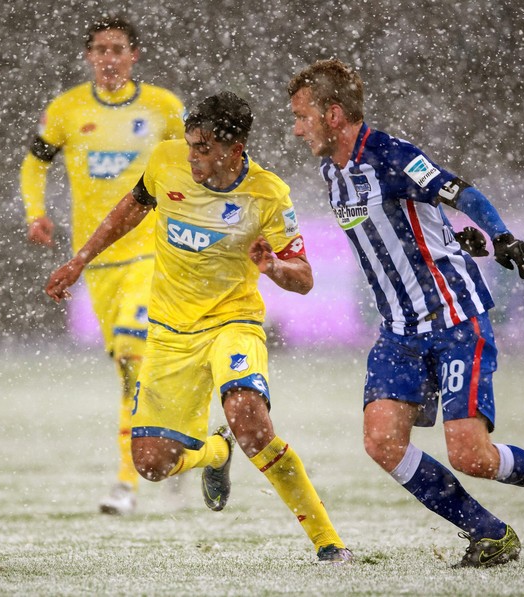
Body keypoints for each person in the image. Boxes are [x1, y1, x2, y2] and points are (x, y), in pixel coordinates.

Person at [287, 59, 524, 567]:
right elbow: (412, 223)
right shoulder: (331, 169)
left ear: (334, 114)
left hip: (454, 320)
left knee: (472, 457)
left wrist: (500, 237)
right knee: (382, 443)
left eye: (302, 116)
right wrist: (451, 238)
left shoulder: (392, 156)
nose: (296, 128)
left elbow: (458, 191)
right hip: (399, 330)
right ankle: (489, 533)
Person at [46, 92, 353, 563]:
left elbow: (305, 279)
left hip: (233, 322)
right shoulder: (167, 161)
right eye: (190, 143)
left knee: (250, 421)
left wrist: (272, 267)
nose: (191, 155)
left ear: (236, 148)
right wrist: (81, 260)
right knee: (150, 464)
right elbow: (130, 209)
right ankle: (214, 453)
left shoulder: (268, 194)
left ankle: (328, 542)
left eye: (204, 147)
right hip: (169, 331)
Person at [20, 16, 185, 515]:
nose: (108, 58)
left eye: (117, 49)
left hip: (151, 252)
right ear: (89, 57)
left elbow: (193, 164)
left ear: (134, 56)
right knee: (131, 372)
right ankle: (177, 443)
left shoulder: (163, 107)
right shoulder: (67, 110)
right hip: (97, 261)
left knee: (136, 356)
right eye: (99, 50)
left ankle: (126, 484)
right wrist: (36, 213)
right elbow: (35, 162)